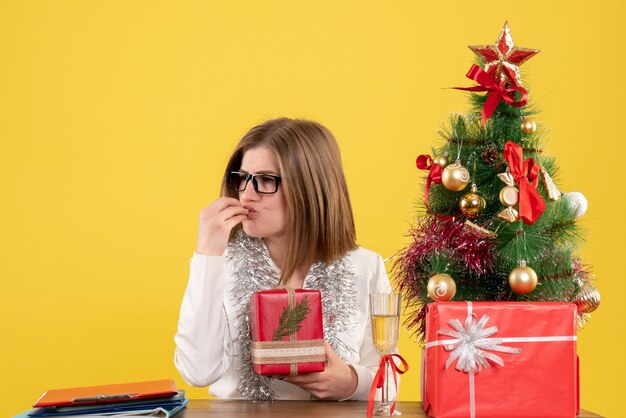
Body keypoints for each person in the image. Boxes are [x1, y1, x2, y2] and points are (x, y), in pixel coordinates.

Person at [174, 117, 395, 401]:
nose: (247, 195)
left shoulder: (365, 266)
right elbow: (197, 372)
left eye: (266, 180)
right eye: (242, 179)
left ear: (311, 188)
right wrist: (206, 255)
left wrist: (353, 383)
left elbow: (389, 377)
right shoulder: (219, 263)